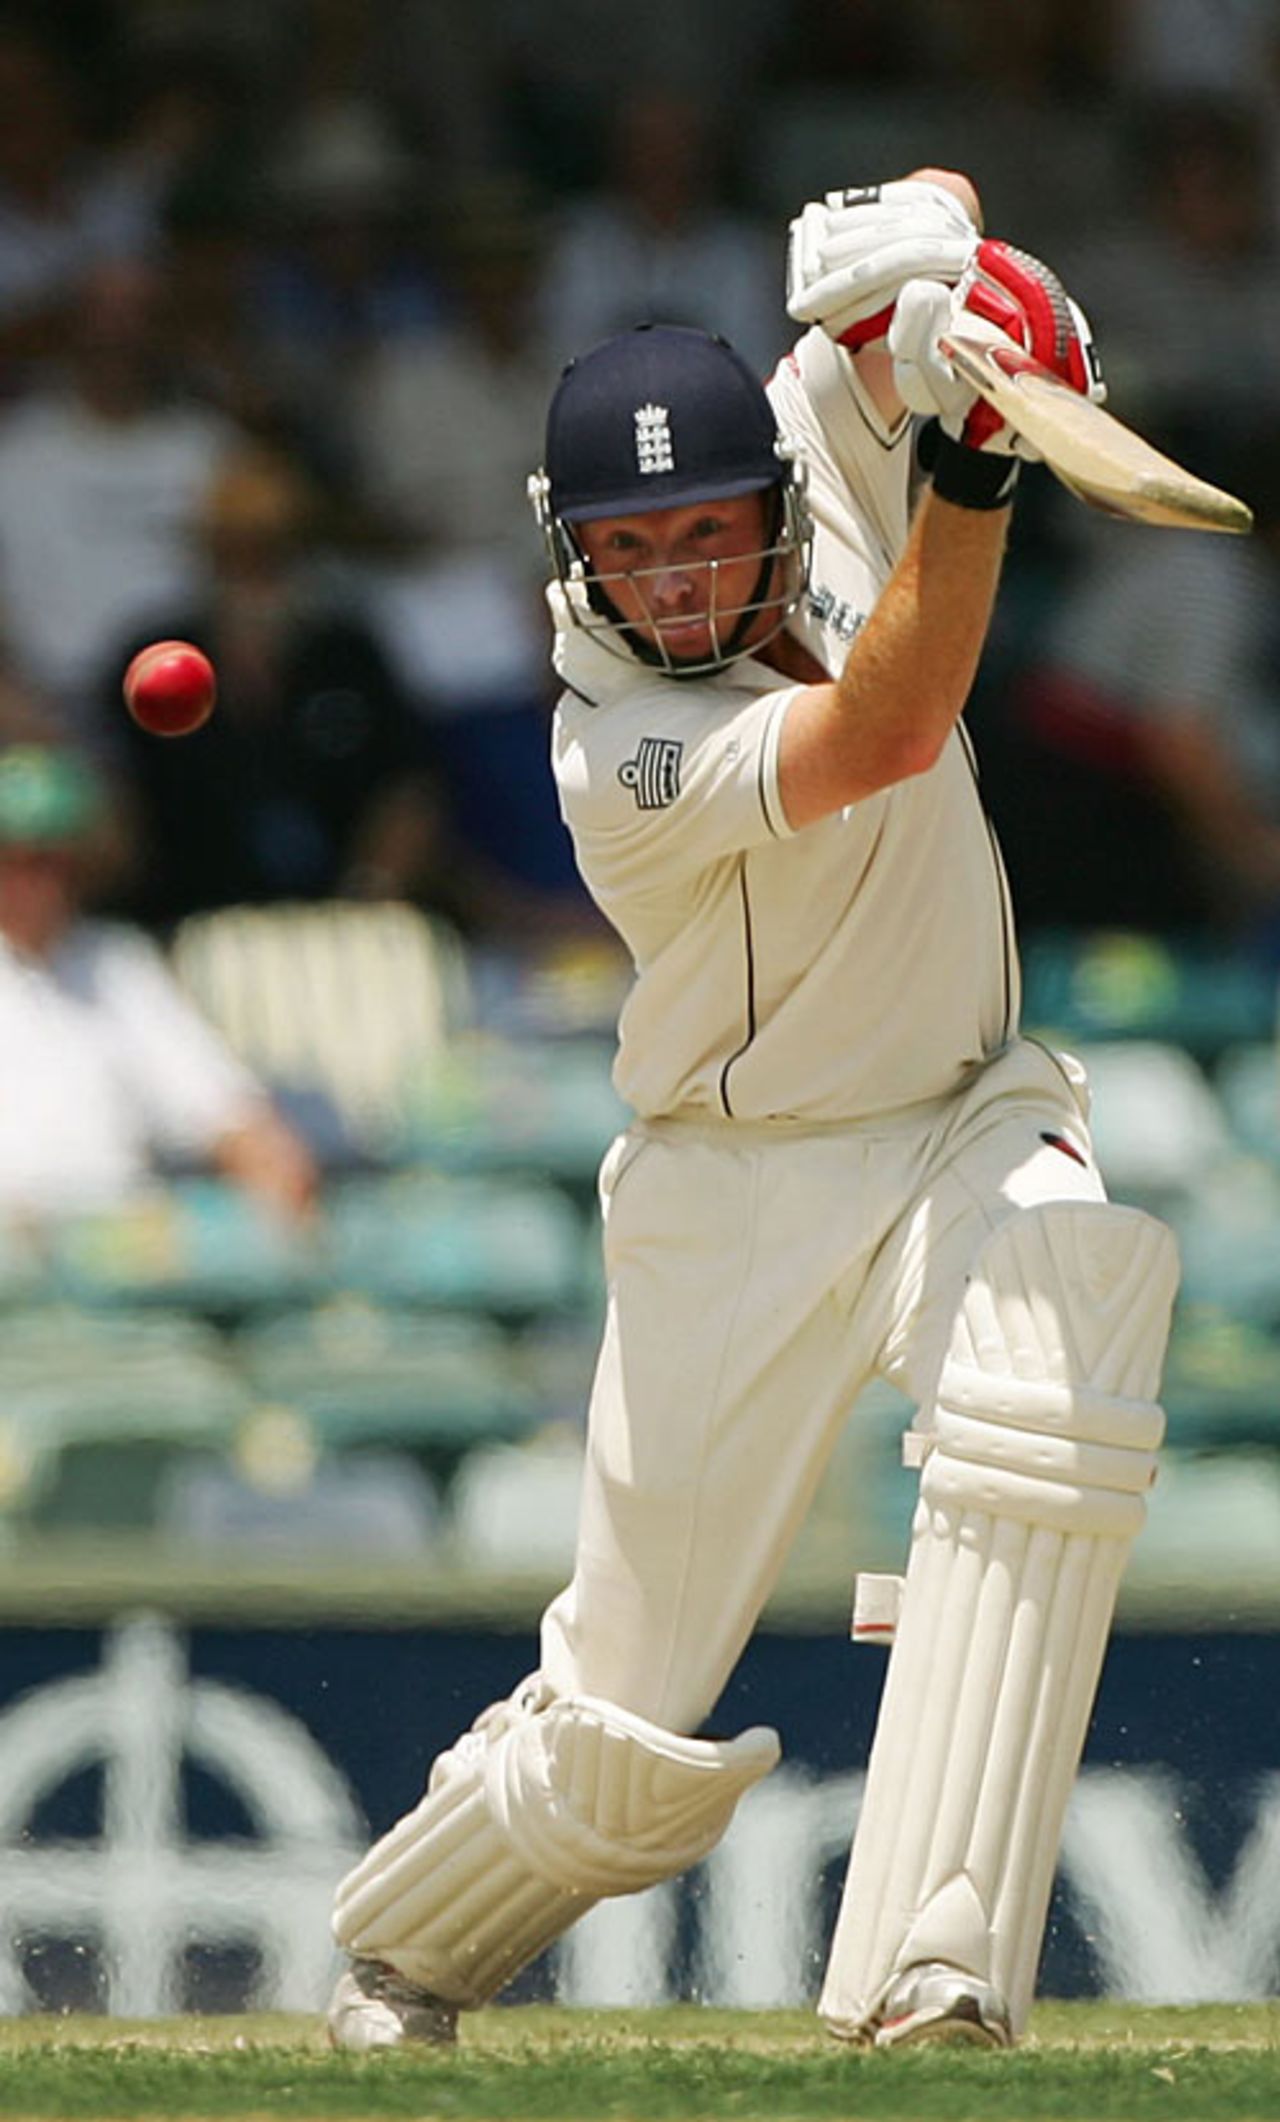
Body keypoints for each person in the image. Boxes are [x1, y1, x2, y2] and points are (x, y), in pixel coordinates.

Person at [324, 172, 1180, 2052]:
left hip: (965, 1111)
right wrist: (972, 472)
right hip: (738, 1192)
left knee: (1065, 1342)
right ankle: (407, 1944)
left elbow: (926, 288)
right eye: (643, 554)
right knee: (624, 1723)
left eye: (714, 533)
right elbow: (884, 728)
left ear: (777, 495)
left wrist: (946, 270)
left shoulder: (815, 434)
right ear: (577, 564)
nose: (689, 581)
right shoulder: (610, 743)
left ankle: (934, 1971)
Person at [0, 741, 316, 1223]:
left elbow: (230, 1115)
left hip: (117, 1246)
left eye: (54, 859)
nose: (38, 880)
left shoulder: (114, 962)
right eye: (17, 859)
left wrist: (275, 1176)